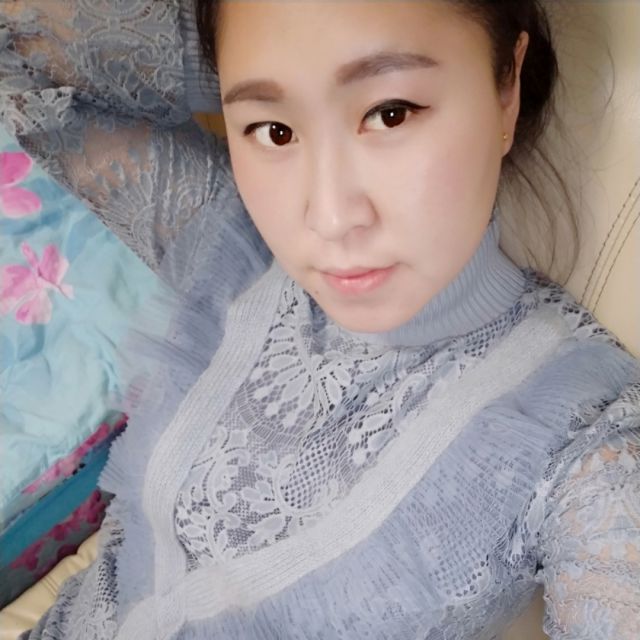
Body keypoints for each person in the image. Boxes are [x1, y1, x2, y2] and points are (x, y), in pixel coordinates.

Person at [1, 1, 639, 638]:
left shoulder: (581, 433)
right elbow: (16, 47)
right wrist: (241, 49)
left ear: (507, 86)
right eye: (275, 132)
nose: (330, 218)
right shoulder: (230, 243)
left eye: (389, 113)